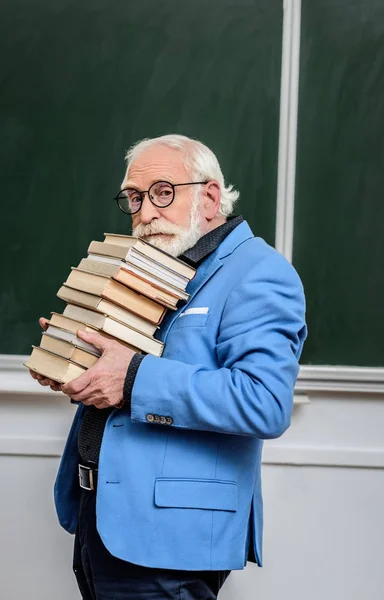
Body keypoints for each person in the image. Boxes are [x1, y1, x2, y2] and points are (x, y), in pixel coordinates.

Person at [30, 134, 307, 600]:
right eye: (135, 198)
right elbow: (134, 371)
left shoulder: (260, 273)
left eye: (162, 192)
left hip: (168, 539)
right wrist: (79, 363)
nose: (146, 212)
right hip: (102, 518)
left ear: (211, 197)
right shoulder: (156, 268)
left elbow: (265, 402)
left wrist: (132, 378)